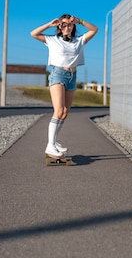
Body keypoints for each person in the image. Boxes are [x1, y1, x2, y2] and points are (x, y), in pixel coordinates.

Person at [30, 14, 98, 158]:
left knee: (65, 112)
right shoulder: (52, 40)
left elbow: (94, 30)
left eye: (70, 25)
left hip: (72, 77)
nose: (67, 27)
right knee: (59, 110)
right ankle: (50, 145)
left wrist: (79, 20)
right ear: (59, 27)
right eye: (64, 25)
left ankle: (53, 142)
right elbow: (33, 34)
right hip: (58, 74)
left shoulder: (78, 41)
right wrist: (50, 24)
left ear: (73, 26)